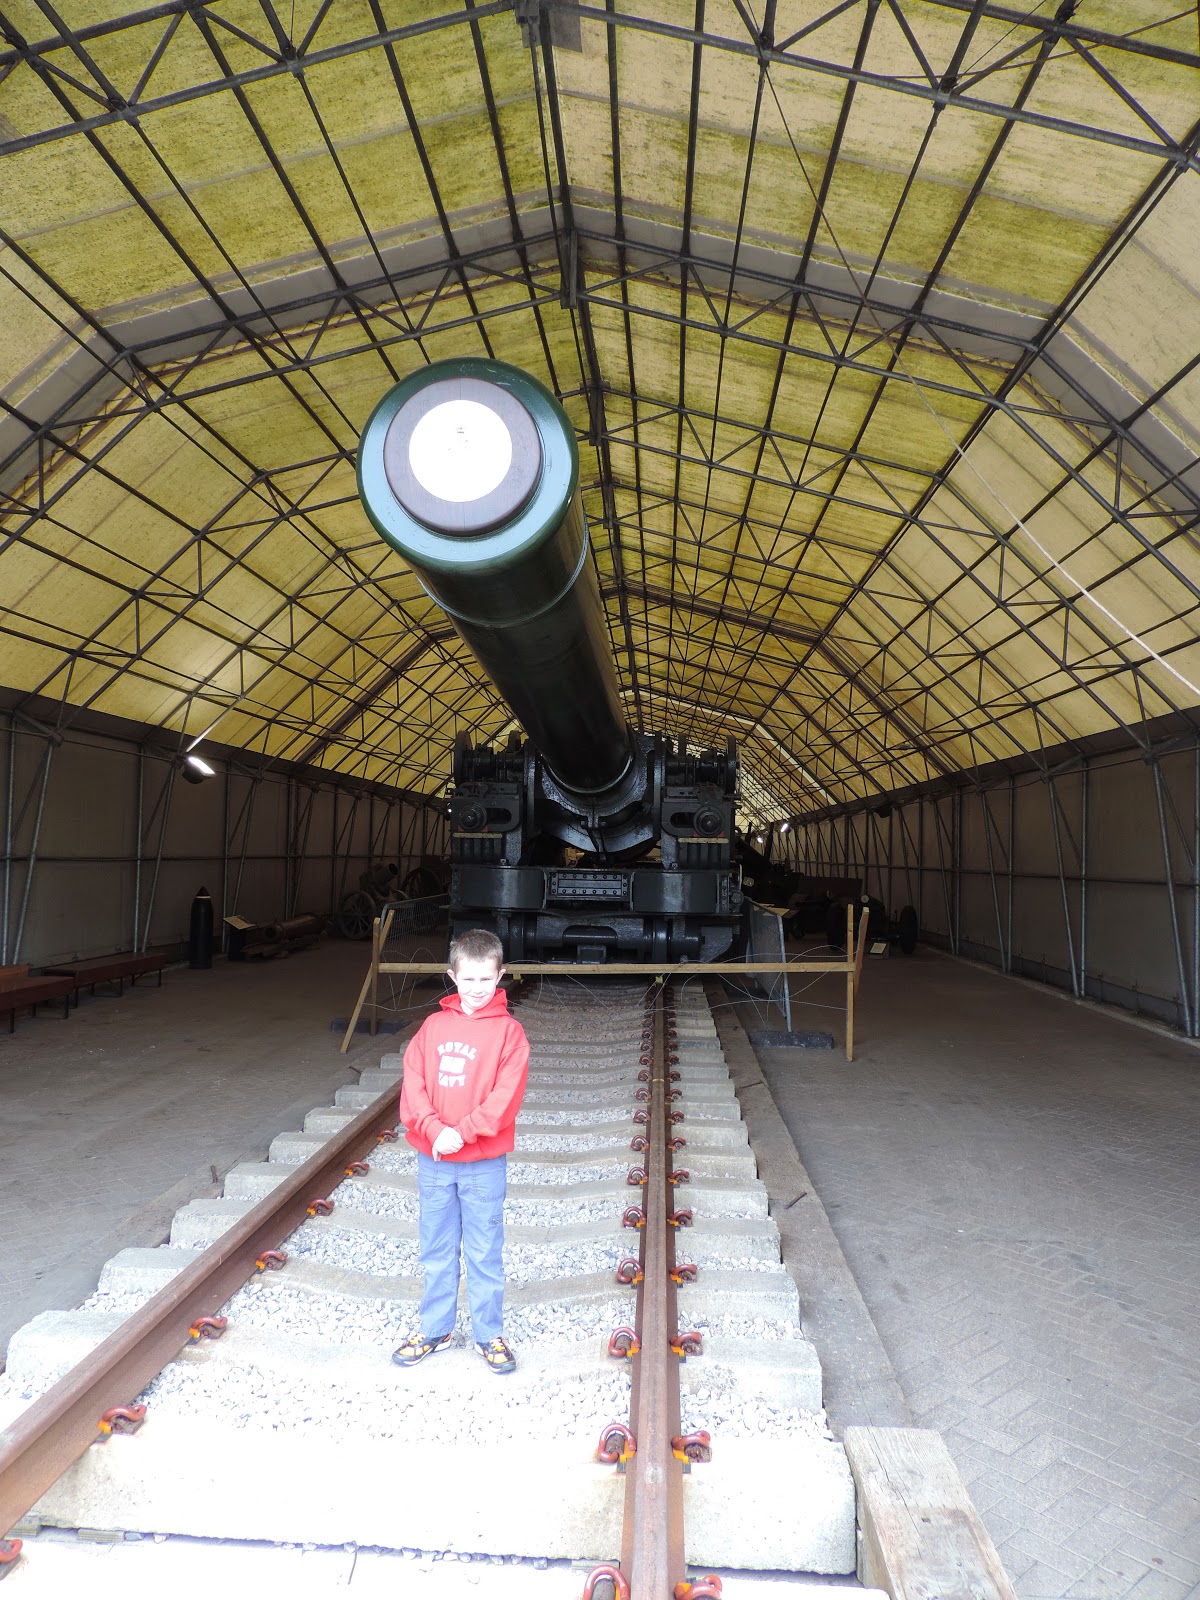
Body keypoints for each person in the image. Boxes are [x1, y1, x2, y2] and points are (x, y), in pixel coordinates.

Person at [393, 927, 529, 1374]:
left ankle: (489, 1333)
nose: (476, 989)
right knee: (436, 1246)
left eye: (486, 980)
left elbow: (504, 1099)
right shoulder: (432, 1028)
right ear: (452, 976)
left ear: (500, 975)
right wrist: (433, 1130)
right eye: (467, 980)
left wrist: (462, 1132)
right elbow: (413, 1084)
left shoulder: (510, 1035)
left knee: (484, 1250)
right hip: (435, 1159)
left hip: (481, 1164)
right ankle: (437, 1328)